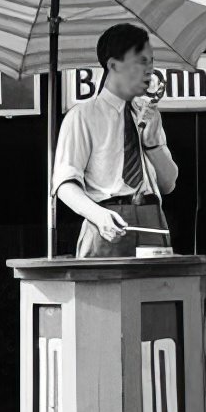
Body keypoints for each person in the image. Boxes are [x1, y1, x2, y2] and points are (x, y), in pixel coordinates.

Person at [53, 23, 178, 258]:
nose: (149, 69)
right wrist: (96, 215)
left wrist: (152, 144)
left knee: (159, 289)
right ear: (113, 65)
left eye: (151, 61)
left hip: (152, 216)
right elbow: (64, 184)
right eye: (140, 61)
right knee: (103, 290)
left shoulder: (148, 113)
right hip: (107, 217)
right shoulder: (83, 116)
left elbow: (169, 184)